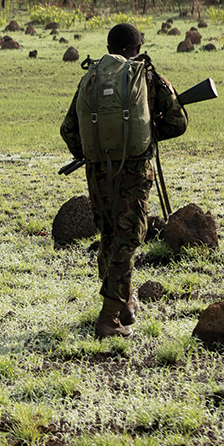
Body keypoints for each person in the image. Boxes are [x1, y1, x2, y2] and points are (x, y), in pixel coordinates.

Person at [59, 23, 187, 338]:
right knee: (127, 241)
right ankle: (108, 318)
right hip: (133, 170)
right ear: (135, 48)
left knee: (110, 236)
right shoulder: (145, 75)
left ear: (108, 46)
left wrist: (90, 153)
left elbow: (68, 129)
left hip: (97, 169)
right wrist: (148, 134)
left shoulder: (89, 77)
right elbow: (178, 122)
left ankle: (125, 303)